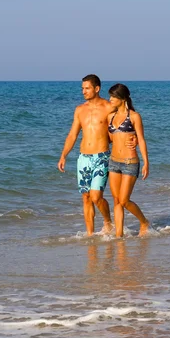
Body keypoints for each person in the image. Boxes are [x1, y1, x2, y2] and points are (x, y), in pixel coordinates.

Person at [58, 74, 117, 235]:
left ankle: (107, 221)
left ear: (97, 89)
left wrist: (132, 141)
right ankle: (90, 235)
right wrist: (64, 155)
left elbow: (122, 127)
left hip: (102, 157)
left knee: (96, 196)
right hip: (83, 158)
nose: (83, 91)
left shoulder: (108, 107)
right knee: (86, 197)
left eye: (87, 88)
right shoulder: (80, 110)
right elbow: (72, 135)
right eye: (82, 88)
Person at [107, 83, 150, 237]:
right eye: (110, 96)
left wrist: (146, 162)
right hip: (113, 162)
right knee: (116, 200)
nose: (110, 99)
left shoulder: (134, 116)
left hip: (129, 163)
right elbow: (111, 138)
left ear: (123, 98)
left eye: (113, 96)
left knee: (124, 200)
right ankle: (119, 235)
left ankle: (144, 222)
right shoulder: (110, 116)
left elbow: (142, 139)